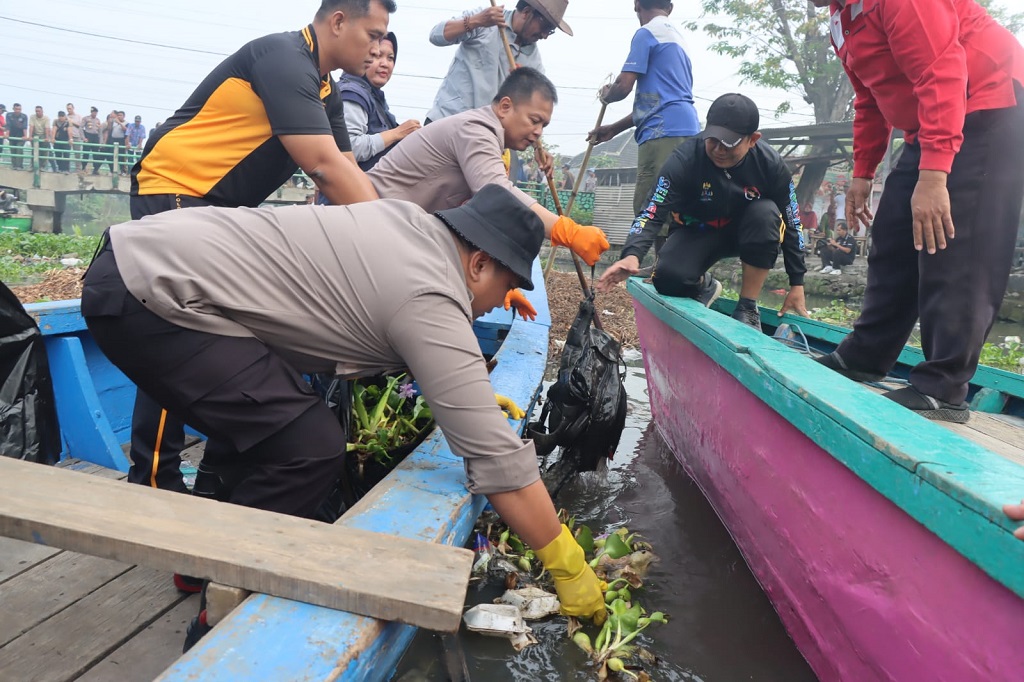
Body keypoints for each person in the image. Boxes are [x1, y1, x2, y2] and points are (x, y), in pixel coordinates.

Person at [80, 184, 608, 644]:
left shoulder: (411, 223)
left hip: (143, 257)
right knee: (308, 447)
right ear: (477, 262)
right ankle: (220, 613)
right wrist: (565, 562)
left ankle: (202, 560)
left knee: (269, 415)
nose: (501, 301)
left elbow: (372, 318)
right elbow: (497, 462)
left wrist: (466, 392)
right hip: (150, 294)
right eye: (506, 285)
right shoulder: (429, 291)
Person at [122, 0, 391, 586]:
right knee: (180, 332)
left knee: (231, 340)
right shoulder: (283, 57)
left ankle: (218, 484)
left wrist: (388, 229)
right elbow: (322, 166)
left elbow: (347, 169)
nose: (376, 49)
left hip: (221, 212)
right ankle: (155, 487)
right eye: (372, 35)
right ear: (338, 21)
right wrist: (400, 238)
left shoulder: (322, 87)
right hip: (174, 190)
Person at [812, 0, 1024, 424]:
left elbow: (941, 72)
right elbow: (869, 97)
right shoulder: (843, 17)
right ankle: (866, 356)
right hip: (930, 119)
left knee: (956, 243)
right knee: (894, 231)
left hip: (989, 102)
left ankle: (944, 387)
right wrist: (862, 171)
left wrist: (934, 175)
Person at [367, 67, 610, 320]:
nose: (539, 132)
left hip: (398, 230)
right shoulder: (476, 129)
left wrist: (500, 281)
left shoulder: (492, 141)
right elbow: (496, 193)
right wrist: (567, 231)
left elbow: (474, 219)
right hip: (373, 221)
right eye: (534, 120)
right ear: (505, 107)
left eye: (544, 125)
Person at [597, 93, 808, 331]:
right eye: (713, 140)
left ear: (753, 140)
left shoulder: (771, 165)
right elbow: (652, 210)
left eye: (728, 144)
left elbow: (793, 222)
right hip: (698, 229)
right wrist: (632, 253)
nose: (718, 150)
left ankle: (747, 306)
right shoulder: (685, 158)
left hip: (749, 232)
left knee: (766, 212)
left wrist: (797, 283)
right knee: (667, 280)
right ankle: (704, 285)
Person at [587, 0, 700, 263]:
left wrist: (607, 94)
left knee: (653, 203)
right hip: (687, 128)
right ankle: (678, 270)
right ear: (669, 8)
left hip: (662, 133)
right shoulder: (678, 39)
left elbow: (623, 86)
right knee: (678, 203)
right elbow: (658, 101)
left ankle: (663, 272)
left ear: (636, 5)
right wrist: (614, 129)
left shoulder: (646, 33)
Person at [425, 1, 571, 123]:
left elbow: (532, 108)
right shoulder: (486, 20)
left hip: (482, 136)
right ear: (526, 12)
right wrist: (474, 21)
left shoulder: (534, 64)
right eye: (545, 27)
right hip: (445, 121)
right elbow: (436, 36)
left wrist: (523, 87)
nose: (545, 35)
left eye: (550, 31)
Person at [338, 32, 420, 171]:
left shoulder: (373, 96)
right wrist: (396, 133)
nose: (385, 64)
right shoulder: (352, 93)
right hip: (354, 190)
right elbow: (350, 148)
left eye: (390, 58)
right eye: (377, 56)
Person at [28, 106, 53, 172]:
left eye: (39, 111)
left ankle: (43, 167)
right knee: (34, 151)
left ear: (42, 111)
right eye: (36, 111)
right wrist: (30, 136)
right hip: (35, 134)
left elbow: (47, 128)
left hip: (43, 134)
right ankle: (33, 166)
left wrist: (47, 137)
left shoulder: (46, 118)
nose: (37, 112)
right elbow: (31, 127)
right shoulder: (32, 117)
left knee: (44, 151)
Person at [81, 106, 103, 174]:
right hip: (88, 135)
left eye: (96, 112)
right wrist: (83, 137)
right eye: (94, 112)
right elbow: (81, 128)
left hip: (95, 137)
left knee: (96, 154)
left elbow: (100, 131)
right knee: (86, 154)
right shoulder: (86, 118)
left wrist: (100, 141)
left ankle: (95, 169)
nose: (95, 114)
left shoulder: (98, 120)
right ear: (91, 112)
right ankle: (83, 168)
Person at [5, 104, 27, 170]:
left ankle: (19, 166)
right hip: (12, 136)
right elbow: (8, 125)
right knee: (13, 150)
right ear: (13, 109)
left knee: (19, 150)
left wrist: (25, 136)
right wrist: (7, 134)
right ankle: (14, 166)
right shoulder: (9, 115)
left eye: (19, 109)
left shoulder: (24, 116)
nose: (18, 111)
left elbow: (24, 127)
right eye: (16, 109)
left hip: (21, 136)